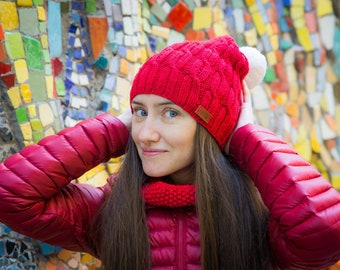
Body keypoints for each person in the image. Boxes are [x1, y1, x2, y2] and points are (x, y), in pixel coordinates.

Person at [0, 35, 339, 270]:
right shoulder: (112, 211)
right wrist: (116, 128)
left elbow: (324, 233)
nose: (145, 134)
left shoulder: (257, 217)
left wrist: (246, 136)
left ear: (213, 128)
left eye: (171, 112)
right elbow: (12, 194)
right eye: (139, 111)